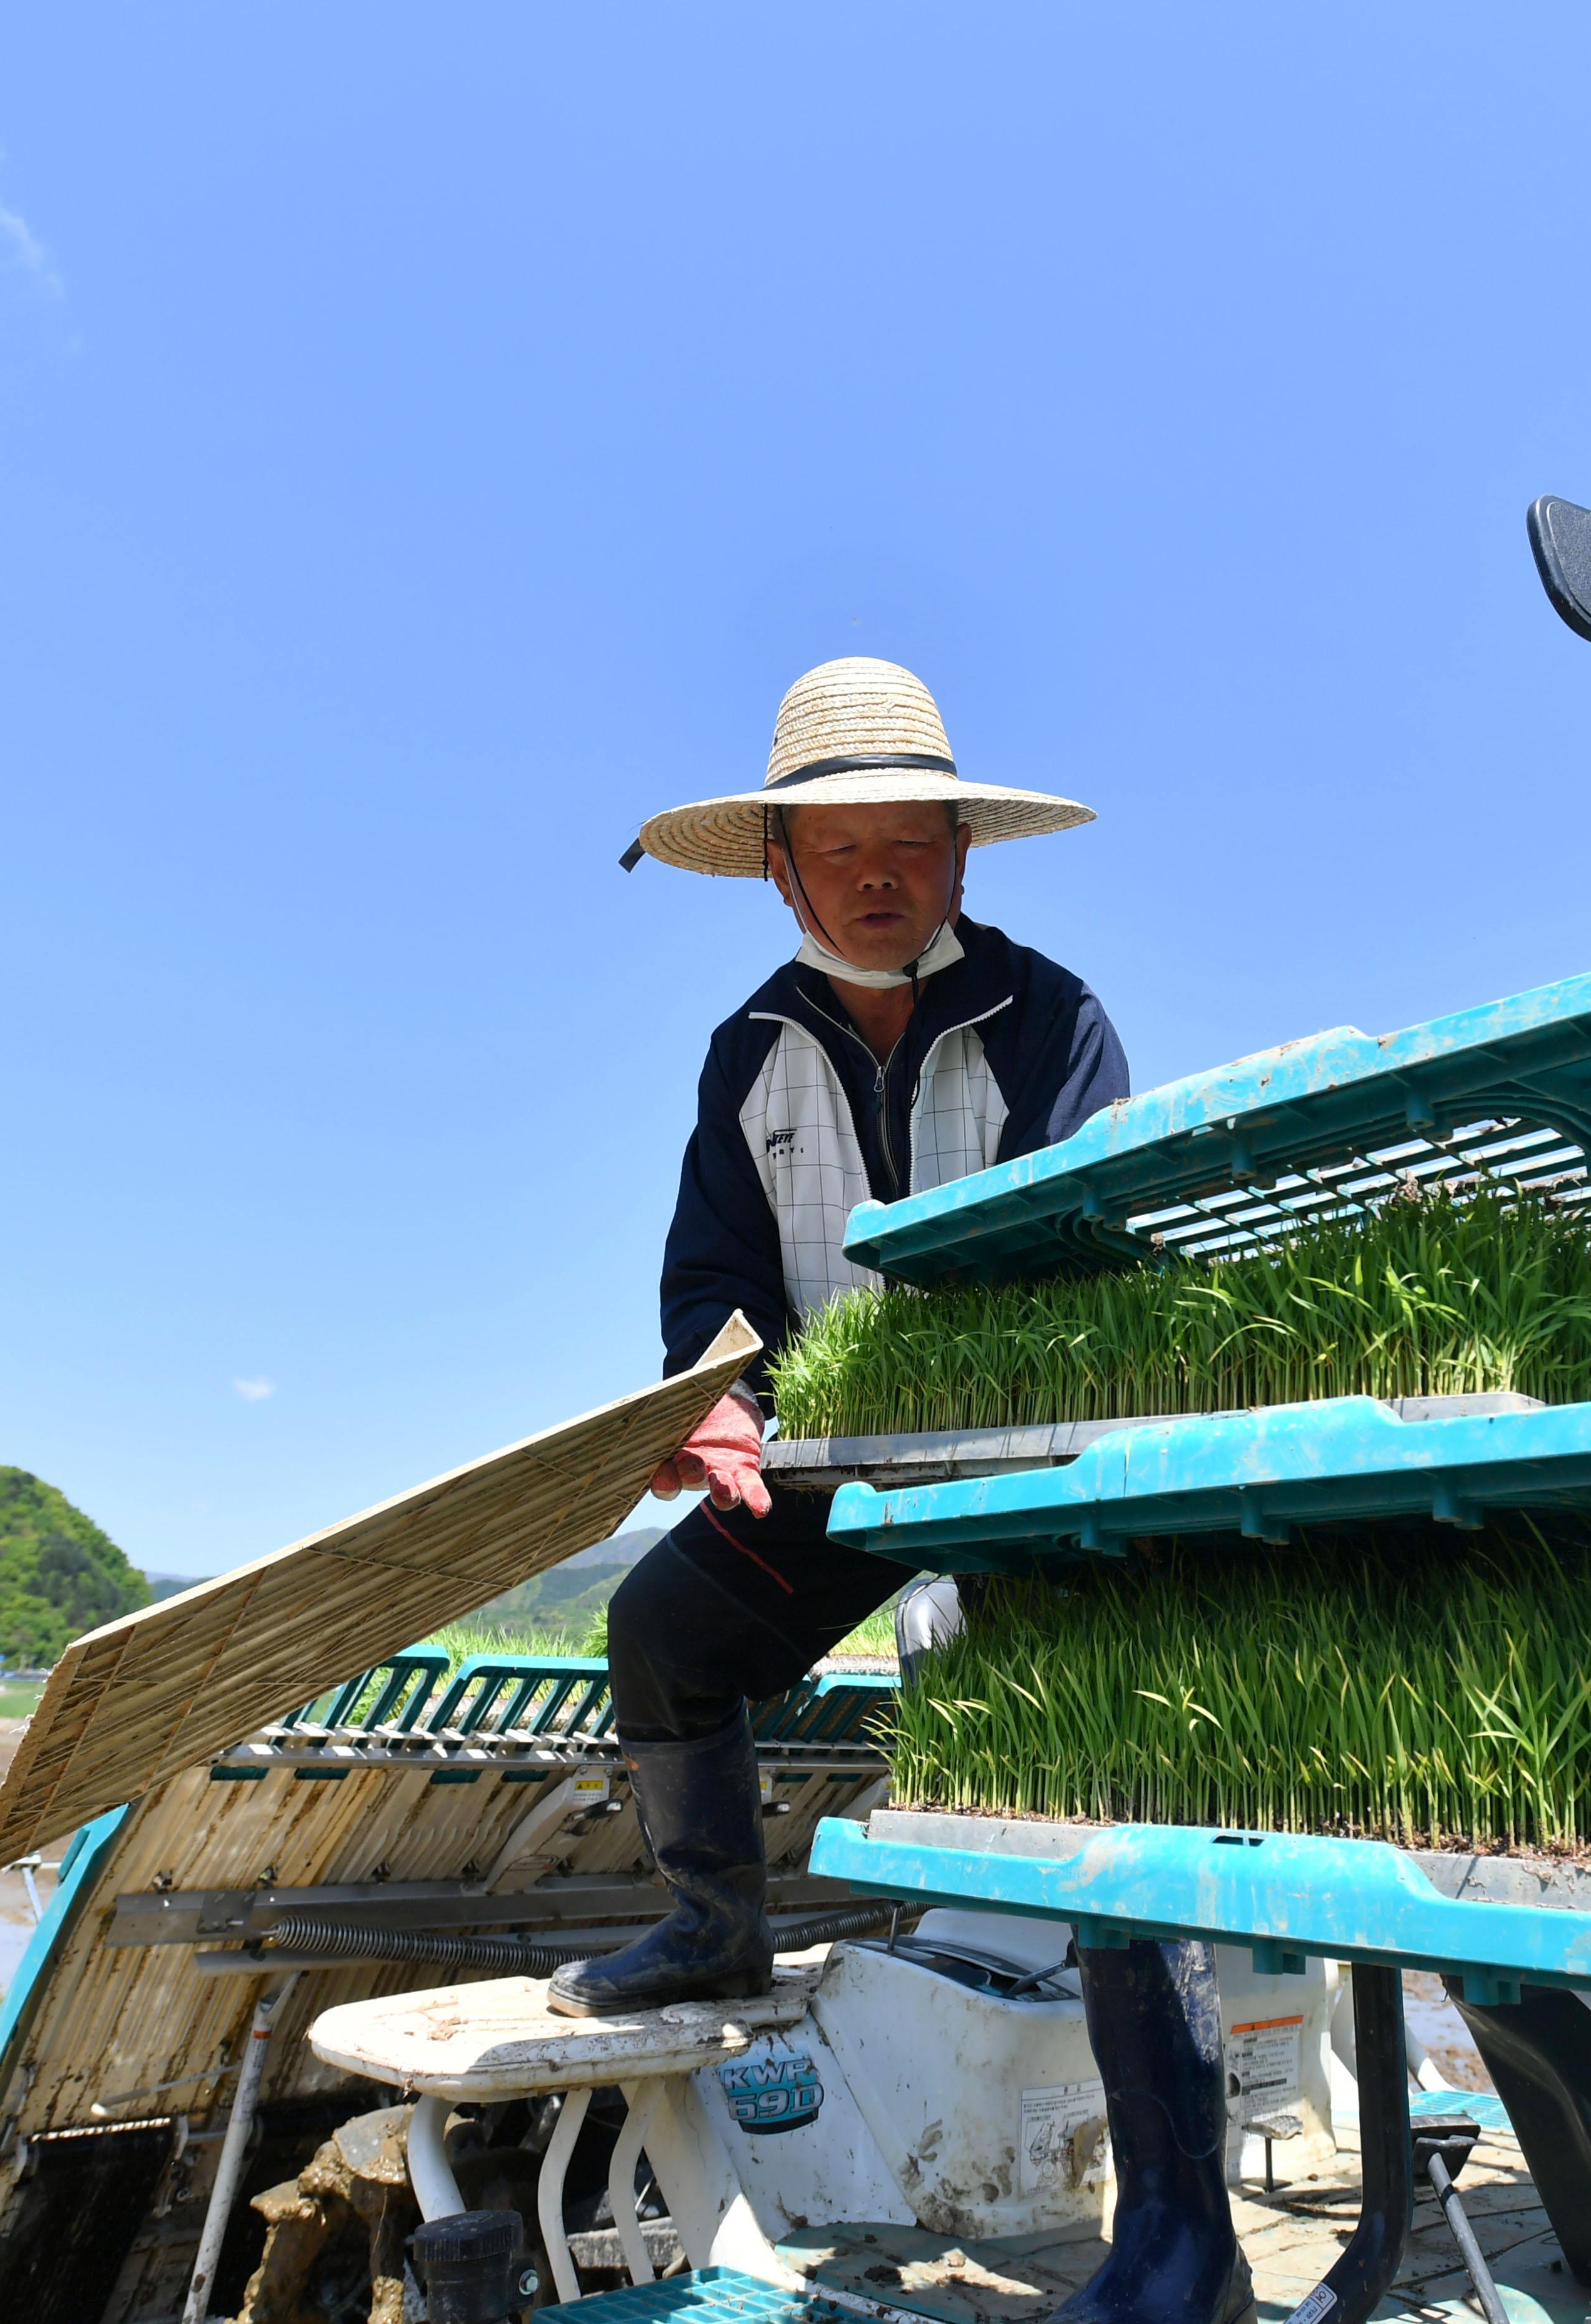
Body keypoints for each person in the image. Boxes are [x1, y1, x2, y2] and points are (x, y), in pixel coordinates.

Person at [564, 656, 1251, 2324]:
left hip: (1021, 1477)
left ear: (961, 855)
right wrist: (722, 1401)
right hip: (825, 1470)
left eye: (910, 845)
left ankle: (1179, 2229)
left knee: (1080, 1779)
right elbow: (712, 1284)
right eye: (839, 850)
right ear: (784, 871)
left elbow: (1097, 1253)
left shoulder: (1051, 1018)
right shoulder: (750, 1054)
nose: (877, 879)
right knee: (663, 1632)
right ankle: (714, 1920)